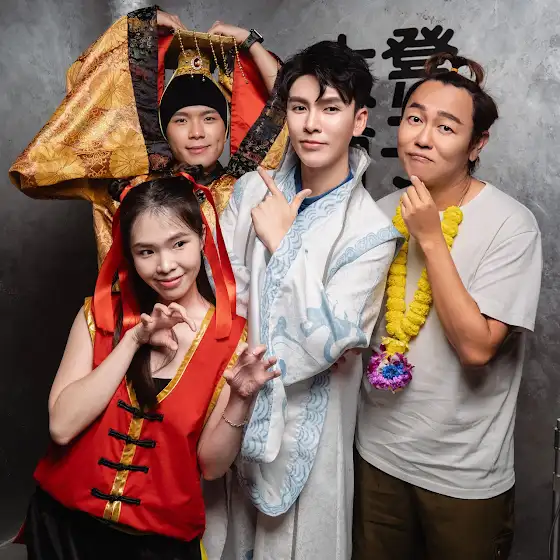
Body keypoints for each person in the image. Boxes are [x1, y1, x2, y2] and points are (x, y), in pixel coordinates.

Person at [203, 40, 401, 560]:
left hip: (313, 425)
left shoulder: (370, 231)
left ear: (359, 120)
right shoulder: (251, 191)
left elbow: (329, 343)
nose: (312, 124)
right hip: (230, 405)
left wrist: (283, 243)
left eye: (330, 109)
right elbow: (224, 299)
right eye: (299, 107)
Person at [18, 175, 278, 560]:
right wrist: (133, 341)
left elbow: (211, 466)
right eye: (146, 251)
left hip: (156, 546)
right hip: (62, 530)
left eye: (178, 244)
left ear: (202, 238)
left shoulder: (231, 340)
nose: (165, 265)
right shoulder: (99, 315)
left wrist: (241, 398)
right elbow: (62, 426)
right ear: (129, 254)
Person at [354, 53, 542, 560]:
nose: (422, 137)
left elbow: (477, 349)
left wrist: (432, 239)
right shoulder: (379, 215)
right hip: (377, 458)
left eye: (446, 127)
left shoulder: (511, 225)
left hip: (462, 475)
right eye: (415, 118)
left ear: (477, 144)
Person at [9, 6, 287, 266]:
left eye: (209, 118)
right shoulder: (131, 189)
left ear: (225, 129)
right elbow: (43, 165)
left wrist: (251, 44)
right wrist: (138, 27)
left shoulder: (245, 189)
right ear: (162, 129)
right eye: (181, 120)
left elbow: (290, 109)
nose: (197, 133)